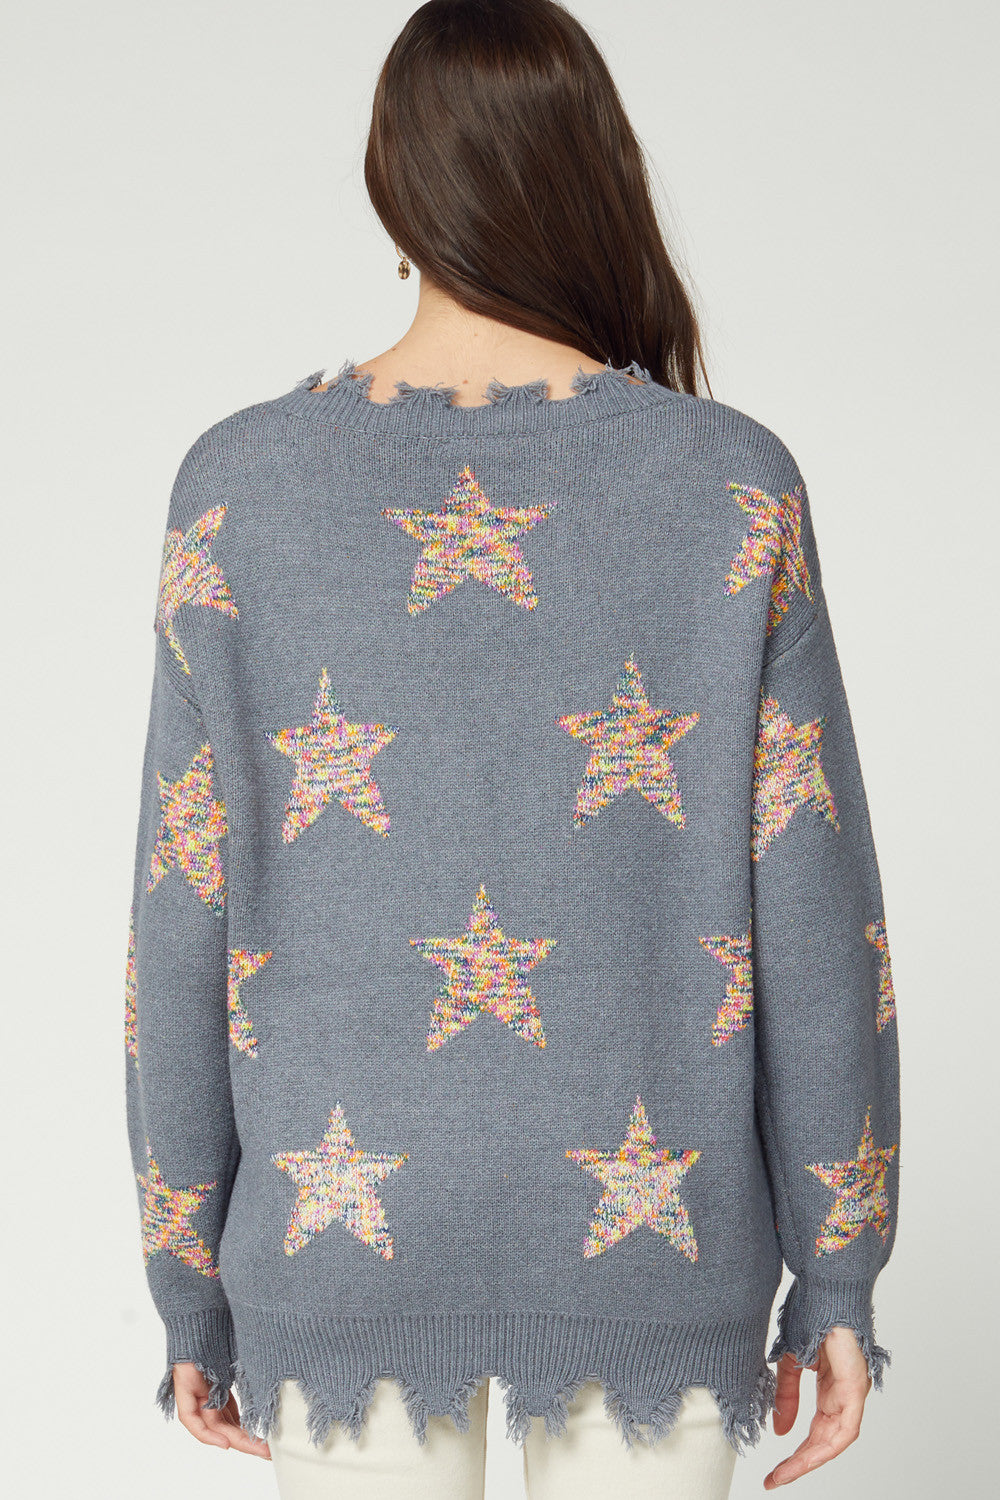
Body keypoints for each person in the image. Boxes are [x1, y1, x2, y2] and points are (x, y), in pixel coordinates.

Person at [122, 2, 901, 1496]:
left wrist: (188, 1285)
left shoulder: (237, 490)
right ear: (598, 172)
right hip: (654, 1239)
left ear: (394, 188)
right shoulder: (733, 488)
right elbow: (814, 912)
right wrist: (840, 1273)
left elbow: (181, 913)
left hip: (337, 1242)